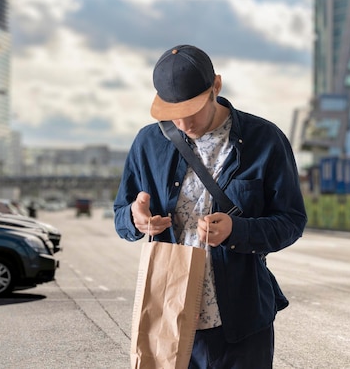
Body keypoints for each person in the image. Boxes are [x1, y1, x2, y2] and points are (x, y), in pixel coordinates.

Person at [114, 44, 307, 368]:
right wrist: (135, 219)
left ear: (216, 86)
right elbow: (121, 212)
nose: (184, 123)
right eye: (173, 113)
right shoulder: (147, 143)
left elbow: (291, 221)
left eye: (193, 110)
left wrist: (238, 230)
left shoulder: (265, 140)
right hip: (167, 317)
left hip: (242, 324)